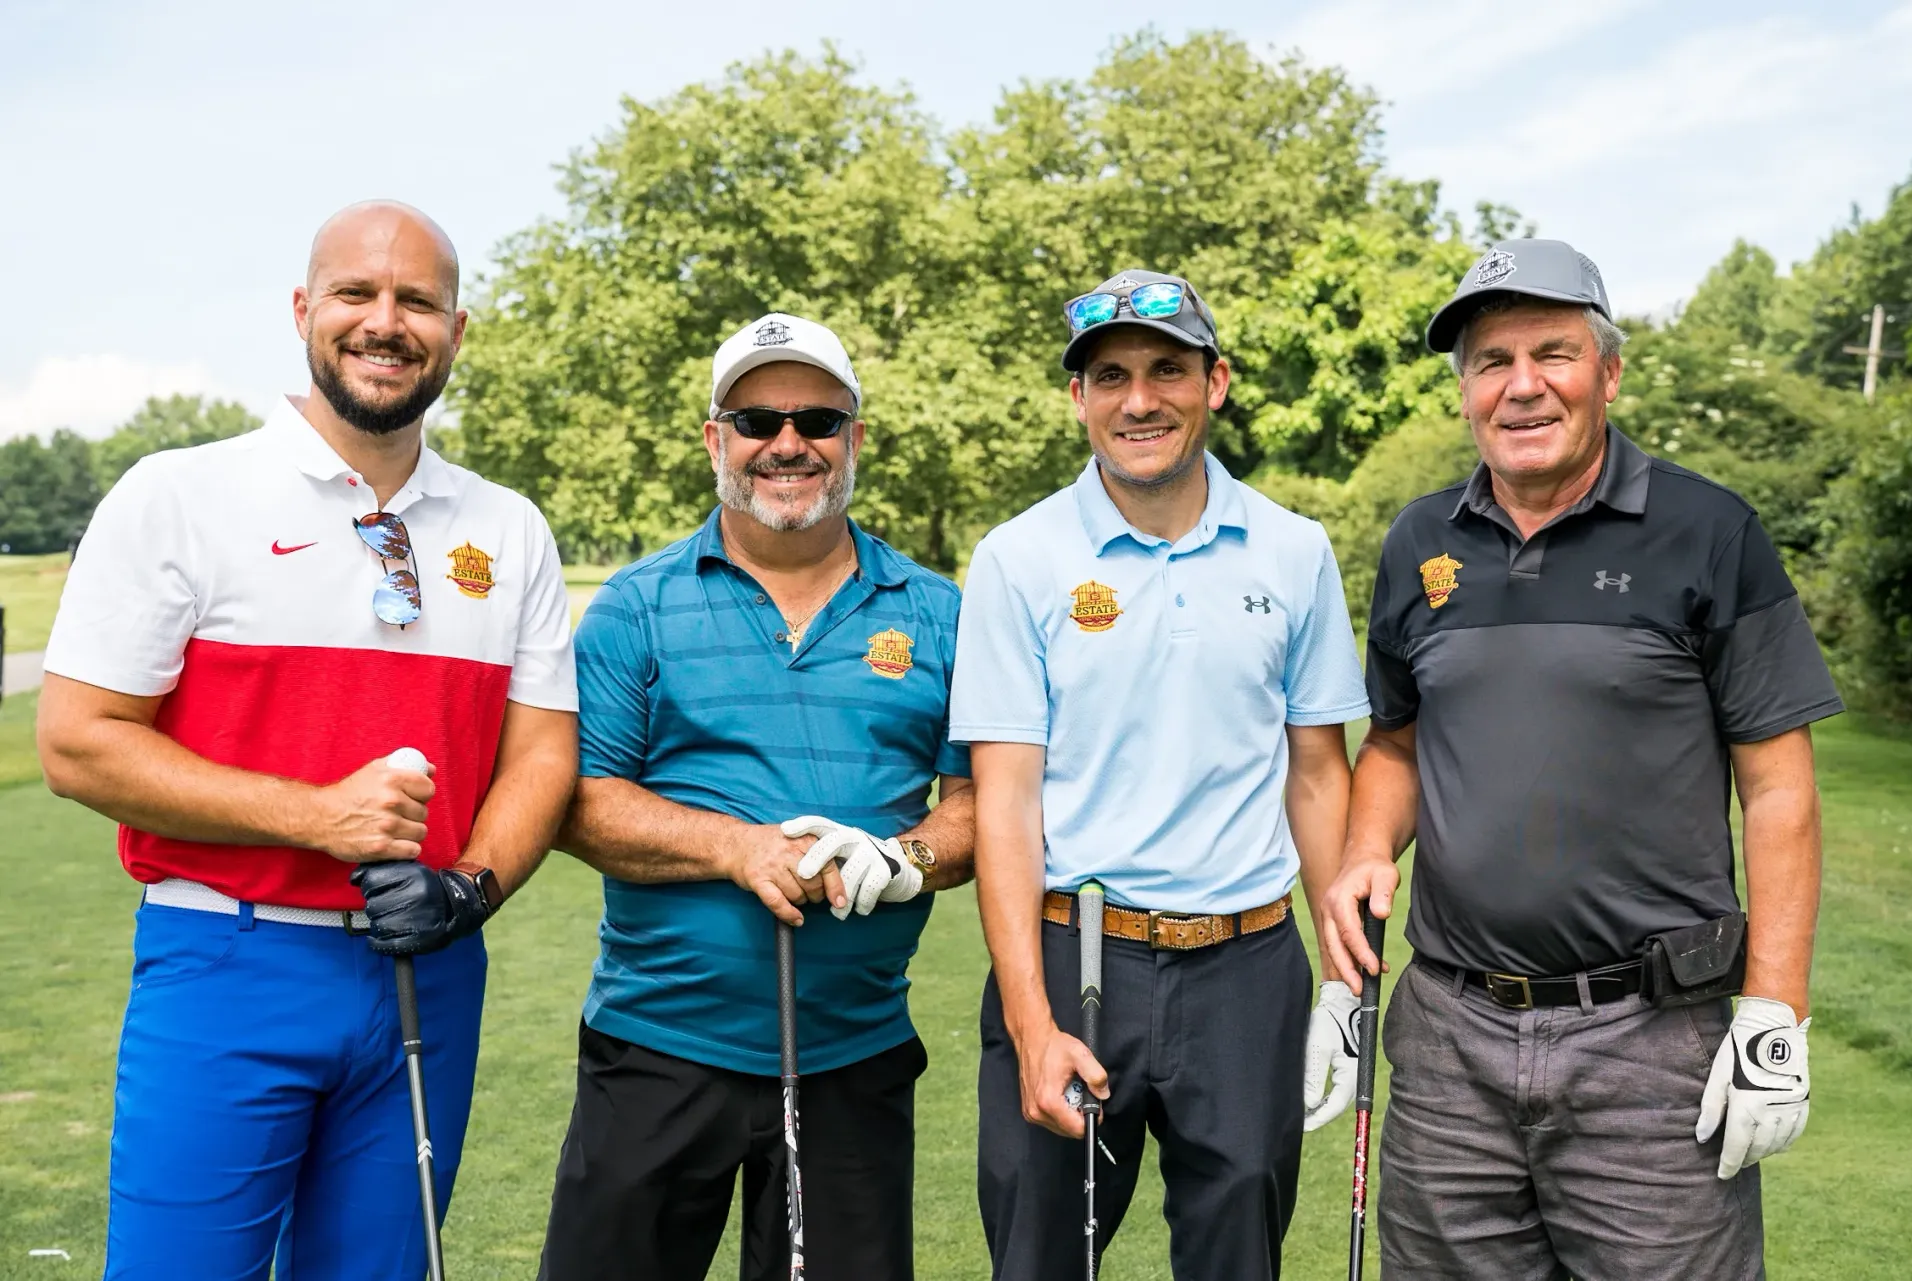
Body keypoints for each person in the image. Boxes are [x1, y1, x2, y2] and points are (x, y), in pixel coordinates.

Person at [35, 200, 579, 1280]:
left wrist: (469, 888)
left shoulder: (507, 527)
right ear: (303, 311)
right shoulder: (180, 495)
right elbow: (78, 742)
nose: (387, 322)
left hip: (427, 969)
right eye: (356, 294)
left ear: (456, 330)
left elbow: (541, 755)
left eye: (417, 300)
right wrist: (314, 815)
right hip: (226, 960)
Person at [1320, 238, 1842, 1280]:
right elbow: (1396, 741)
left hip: (1653, 1046)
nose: (1523, 386)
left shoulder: (1709, 530)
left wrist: (1775, 1009)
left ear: (1606, 370)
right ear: (1465, 391)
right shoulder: (1419, 541)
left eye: (1551, 354)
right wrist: (1367, 846)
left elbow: (1779, 787)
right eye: (1490, 361)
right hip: (1450, 1042)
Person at [538, 313, 977, 1281]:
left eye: (818, 419)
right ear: (715, 440)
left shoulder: (940, 613)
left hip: (853, 1059)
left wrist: (903, 862)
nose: (788, 443)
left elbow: (980, 806)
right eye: (756, 419)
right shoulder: (638, 605)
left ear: (854, 439)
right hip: (656, 1049)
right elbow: (579, 803)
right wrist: (741, 851)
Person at [953, 270, 1371, 1279]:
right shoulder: (1018, 559)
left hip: (1246, 970)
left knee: (1237, 1260)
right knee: (1040, 1259)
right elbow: (1003, 804)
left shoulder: (1294, 550)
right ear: (1080, 399)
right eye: (1111, 377)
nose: (1139, 400)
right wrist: (1029, 1021)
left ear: (1214, 381)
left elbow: (1317, 773)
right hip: (1072, 957)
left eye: (1166, 371)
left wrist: (1342, 989)